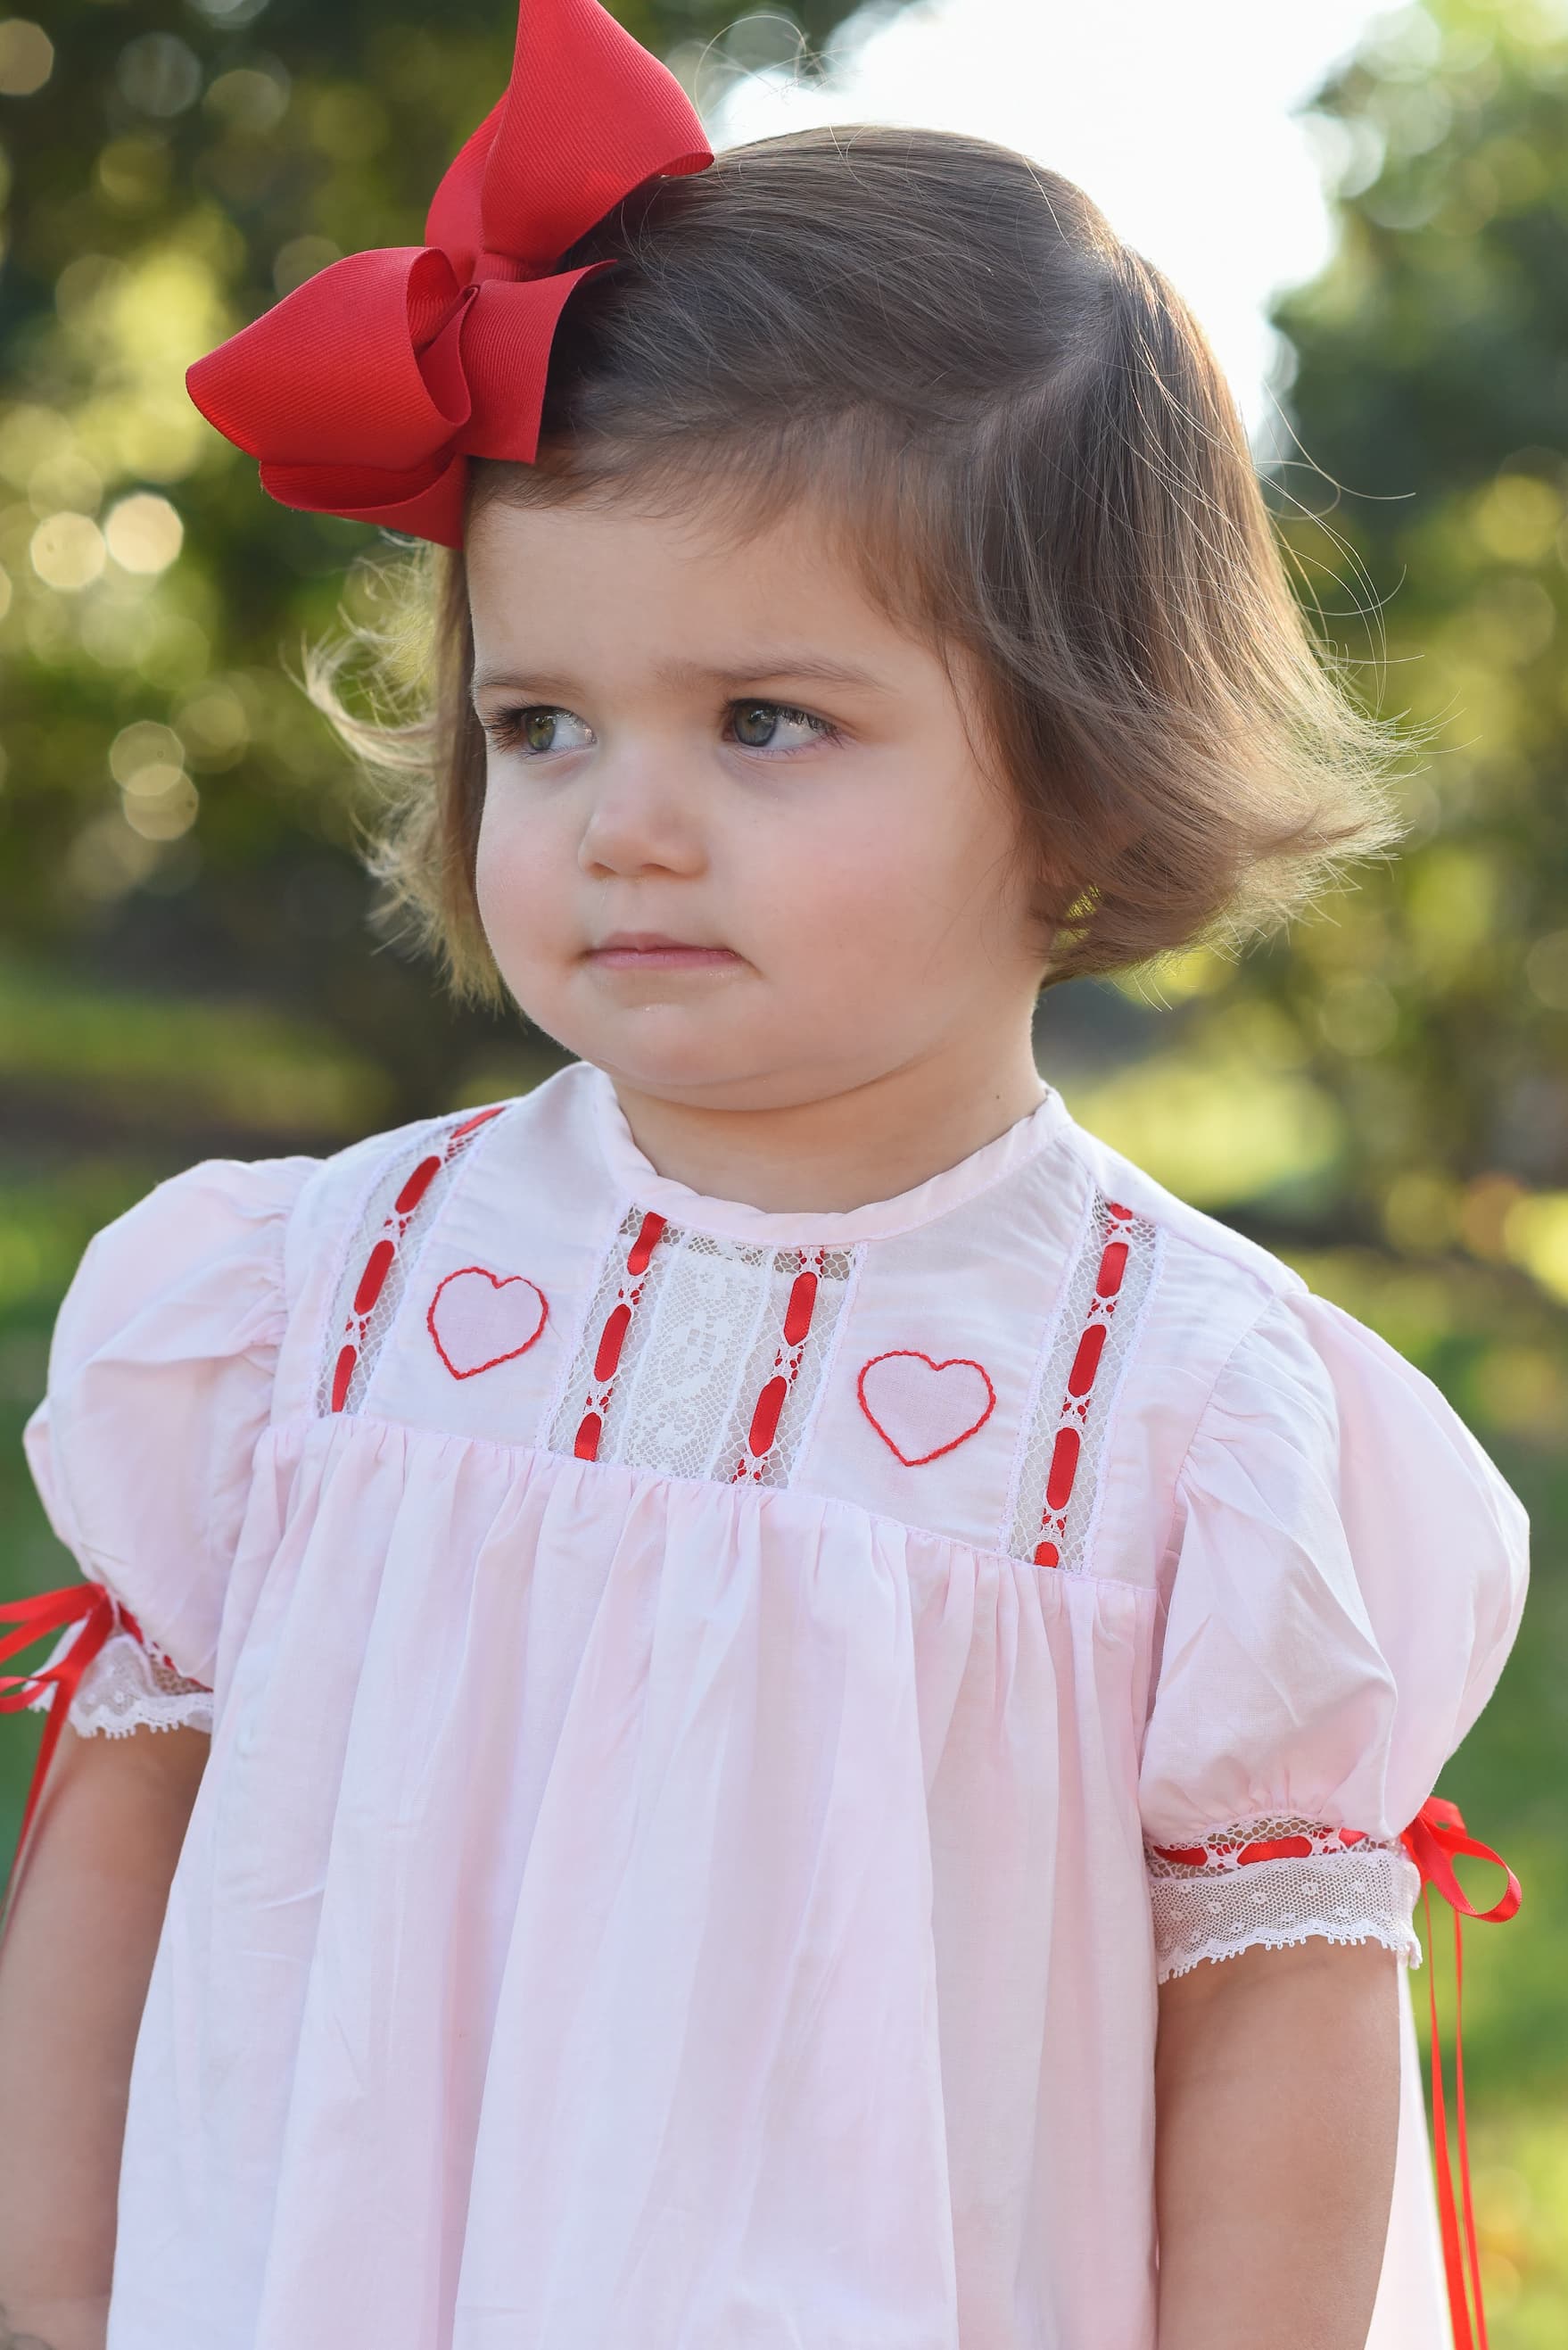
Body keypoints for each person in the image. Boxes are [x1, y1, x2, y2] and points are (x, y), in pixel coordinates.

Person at [0, 3, 1530, 2346]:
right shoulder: (306, 1311)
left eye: (767, 719)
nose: (625, 815)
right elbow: (112, 1894)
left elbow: (1277, 2063)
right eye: (545, 723)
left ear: (1084, 780)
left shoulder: (1186, 1420)